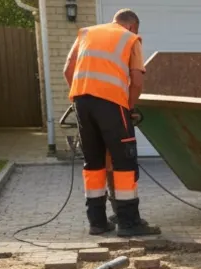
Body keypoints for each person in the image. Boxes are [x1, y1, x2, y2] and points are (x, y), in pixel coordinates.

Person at [63, 9, 158, 237]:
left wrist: (83, 98)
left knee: (94, 163)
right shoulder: (130, 38)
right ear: (133, 26)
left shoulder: (86, 33)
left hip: (81, 103)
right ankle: (128, 223)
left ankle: (97, 222)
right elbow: (136, 81)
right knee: (124, 162)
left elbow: (68, 70)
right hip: (112, 104)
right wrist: (129, 107)